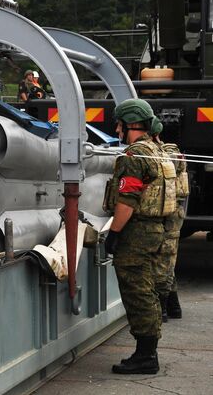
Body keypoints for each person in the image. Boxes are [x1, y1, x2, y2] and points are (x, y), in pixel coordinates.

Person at [103, 99, 177, 375]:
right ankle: (147, 351)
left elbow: (128, 200)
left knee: (138, 292)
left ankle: (146, 356)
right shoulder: (157, 149)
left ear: (128, 123)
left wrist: (114, 233)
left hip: (137, 233)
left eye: (119, 123)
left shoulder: (134, 156)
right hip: (157, 230)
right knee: (148, 289)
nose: (117, 128)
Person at [150, 119, 189, 320]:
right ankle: (173, 307)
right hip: (173, 212)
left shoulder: (167, 153)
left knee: (164, 259)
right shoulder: (167, 151)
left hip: (170, 214)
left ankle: (163, 309)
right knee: (167, 260)